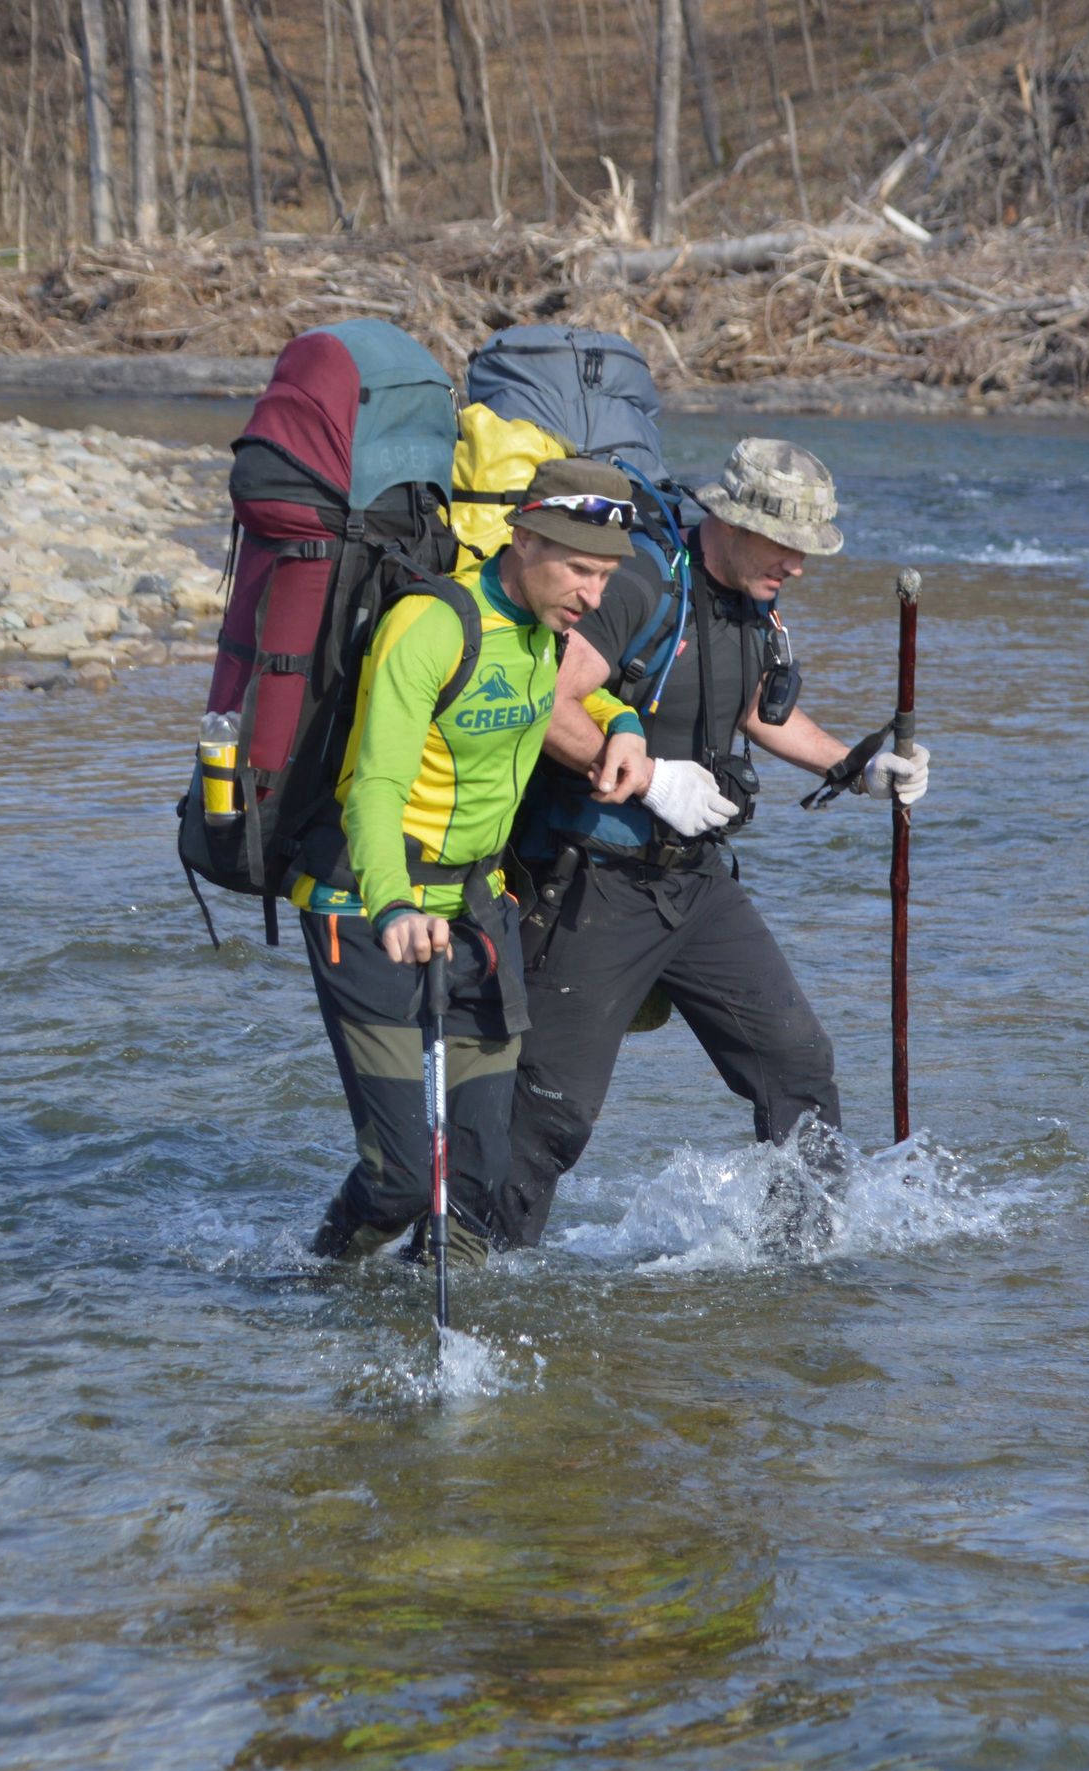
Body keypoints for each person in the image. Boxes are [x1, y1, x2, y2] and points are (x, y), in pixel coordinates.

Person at [485, 438, 932, 1250]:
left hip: (697, 884)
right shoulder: (637, 587)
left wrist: (857, 767)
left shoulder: (752, 608)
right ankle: (470, 1269)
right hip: (595, 883)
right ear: (727, 522)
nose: (797, 566)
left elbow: (758, 714)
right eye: (785, 545)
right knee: (550, 1115)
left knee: (797, 1064)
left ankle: (803, 1258)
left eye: (806, 550)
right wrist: (651, 778)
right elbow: (539, 702)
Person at [300, 459, 639, 1268]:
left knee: (479, 1183)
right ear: (522, 538)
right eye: (580, 570)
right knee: (404, 1180)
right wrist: (391, 908)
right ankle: (314, 1287)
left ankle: (443, 1361)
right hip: (367, 908)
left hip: (478, 911)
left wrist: (620, 716)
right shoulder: (431, 625)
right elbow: (375, 788)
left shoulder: (541, 630)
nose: (594, 598)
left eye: (607, 575)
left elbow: (562, 695)